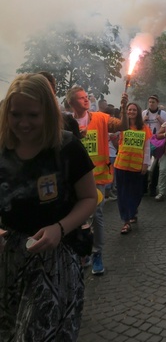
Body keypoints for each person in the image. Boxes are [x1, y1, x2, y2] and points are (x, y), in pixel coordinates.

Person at [0, 74, 97, 341]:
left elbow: (89, 197)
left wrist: (59, 228)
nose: (23, 123)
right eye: (15, 114)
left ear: (48, 111)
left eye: (32, 115)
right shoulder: (2, 148)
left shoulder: (67, 146)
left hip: (56, 258)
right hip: (9, 258)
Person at [66, 86, 128, 275]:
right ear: (71, 102)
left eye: (86, 97)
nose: (86, 100)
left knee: (96, 214)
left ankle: (97, 253)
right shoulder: (65, 122)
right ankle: (80, 251)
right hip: (73, 177)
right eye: (80, 98)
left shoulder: (100, 118)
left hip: (97, 175)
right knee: (76, 216)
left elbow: (122, 126)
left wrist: (123, 108)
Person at [114, 103, 151, 233]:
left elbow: (146, 148)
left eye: (134, 110)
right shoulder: (121, 126)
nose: (131, 112)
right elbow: (111, 137)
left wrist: (145, 163)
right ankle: (126, 220)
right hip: (121, 165)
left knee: (137, 193)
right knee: (123, 194)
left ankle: (132, 210)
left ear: (138, 112)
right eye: (129, 109)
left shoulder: (144, 128)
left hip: (137, 166)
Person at [142, 94, 166, 196]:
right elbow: (139, 125)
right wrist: (143, 120)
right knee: (145, 164)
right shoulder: (144, 112)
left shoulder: (162, 113)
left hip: (157, 142)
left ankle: (153, 187)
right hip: (146, 141)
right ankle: (143, 187)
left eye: (153, 102)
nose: (151, 104)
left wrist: (160, 119)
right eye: (150, 102)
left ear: (157, 103)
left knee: (155, 167)